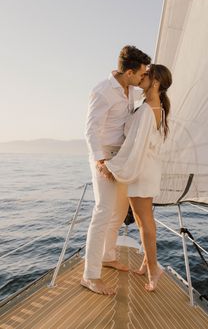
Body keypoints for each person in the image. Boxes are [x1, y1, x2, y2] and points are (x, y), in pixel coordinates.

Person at [81, 45, 151, 295]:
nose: (143, 77)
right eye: (142, 73)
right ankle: (90, 275)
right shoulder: (102, 90)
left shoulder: (131, 89)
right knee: (102, 211)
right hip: (105, 156)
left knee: (120, 211)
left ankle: (107, 256)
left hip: (123, 156)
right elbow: (90, 130)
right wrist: (100, 162)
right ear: (130, 72)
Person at [102, 64, 172, 291]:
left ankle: (154, 269)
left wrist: (111, 167)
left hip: (141, 172)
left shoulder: (146, 110)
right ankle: (146, 263)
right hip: (148, 170)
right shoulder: (156, 107)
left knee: (145, 224)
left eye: (147, 74)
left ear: (156, 81)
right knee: (143, 222)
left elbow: (134, 147)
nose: (142, 76)